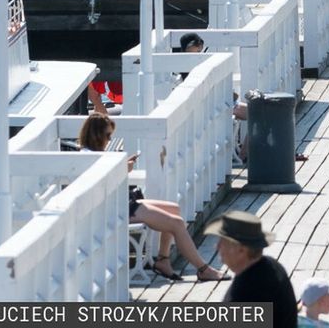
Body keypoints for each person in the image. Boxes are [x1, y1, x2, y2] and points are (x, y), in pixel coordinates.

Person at [75, 112, 225, 281]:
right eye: (107, 135)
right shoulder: (88, 156)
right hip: (117, 208)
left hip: (122, 202)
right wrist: (123, 170)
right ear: (96, 135)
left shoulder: (92, 154)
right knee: (176, 223)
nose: (109, 140)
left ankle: (163, 260)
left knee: (174, 209)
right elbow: (99, 186)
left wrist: (122, 168)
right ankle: (203, 269)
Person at [211, 210, 297, 324]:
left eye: (222, 241)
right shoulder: (270, 266)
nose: (216, 246)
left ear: (242, 249)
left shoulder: (249, 290)